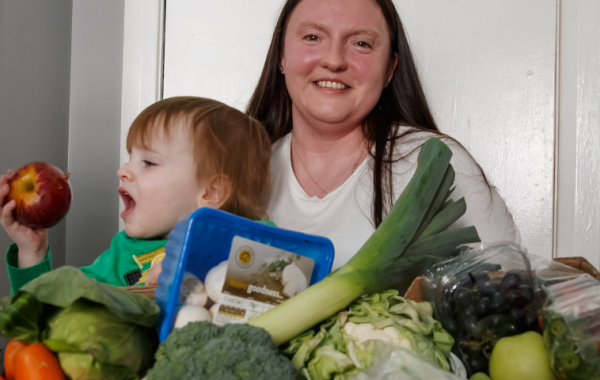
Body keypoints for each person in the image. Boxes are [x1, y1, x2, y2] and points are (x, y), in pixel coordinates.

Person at [246, 0, 520, 270]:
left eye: (361, 43)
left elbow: (506, 288)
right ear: (281, 56)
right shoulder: (241, 168)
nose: (334, 60)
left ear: (389, 68)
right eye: (312, 37)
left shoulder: (435, 163)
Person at [0, 96, 272, 293]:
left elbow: (283, 280)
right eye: (130, 157)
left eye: (149, 163)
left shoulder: (256, 240)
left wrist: (194, 266)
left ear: (211, 193)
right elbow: (46, 315)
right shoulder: (120, 255)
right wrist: (32, 250)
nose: (123, 170)